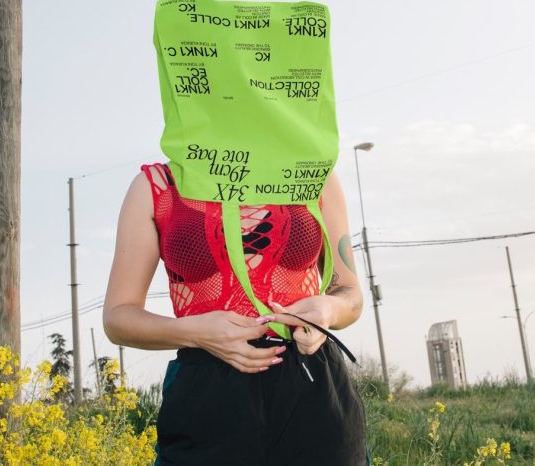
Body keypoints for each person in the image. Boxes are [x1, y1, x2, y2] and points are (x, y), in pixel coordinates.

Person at [102, 164, 368, 465]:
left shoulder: (314, 173)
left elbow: (350, 294)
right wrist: (195, 332)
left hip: (314, 389)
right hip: (206, 394)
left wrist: (328, 311)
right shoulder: (157, 186)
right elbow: (117, 317)